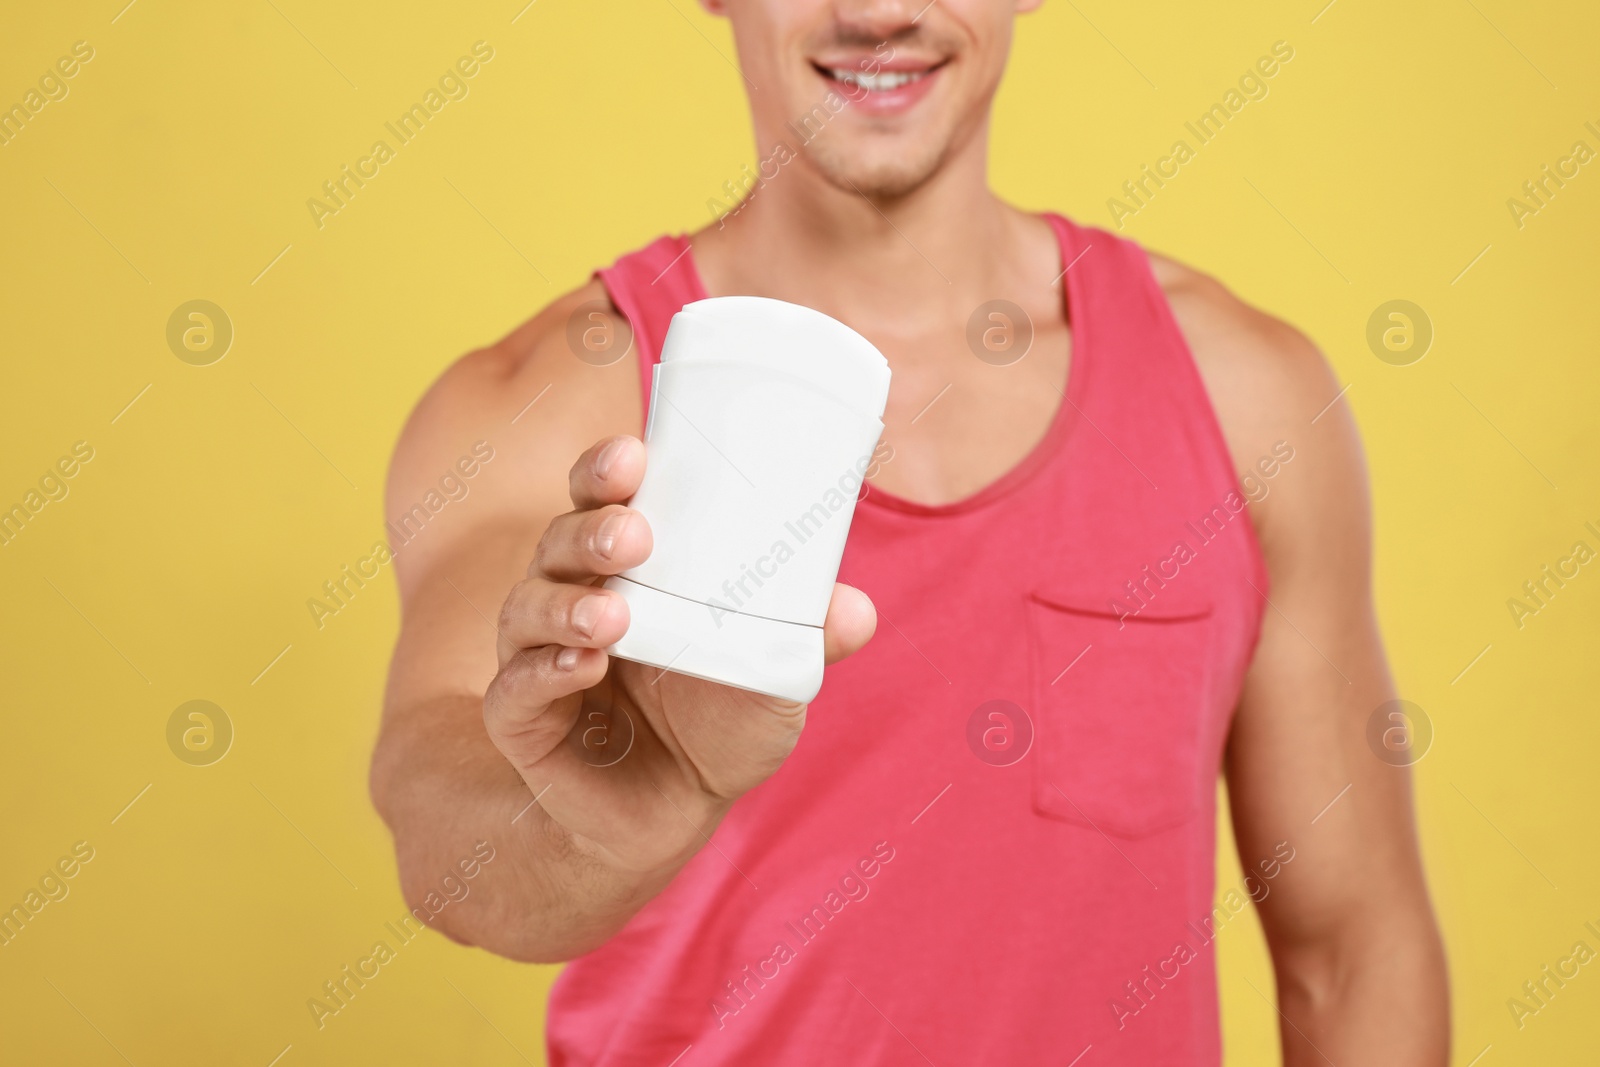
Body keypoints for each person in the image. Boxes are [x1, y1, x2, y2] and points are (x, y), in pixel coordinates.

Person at [370, 1, 1449, 1062]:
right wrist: (600, 820)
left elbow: (1351, 954)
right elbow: (443, 835)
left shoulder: (1247, 400)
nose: (877, 11)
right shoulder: (545, 407)